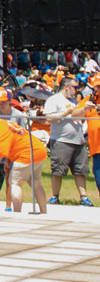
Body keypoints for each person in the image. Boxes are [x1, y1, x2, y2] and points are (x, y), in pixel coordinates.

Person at [43, 76, 92, 205]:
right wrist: (67, 112)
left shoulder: (74, 101)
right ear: (67, 87)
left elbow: (79, 118)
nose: (76, 90)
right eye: (75, 87)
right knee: (58, 170)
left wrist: (84, 110)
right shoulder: (54, 100)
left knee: (80, 170)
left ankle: (84, 197)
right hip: (61, 140)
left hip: (78, 140)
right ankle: (55, 196)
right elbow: (49, 118)